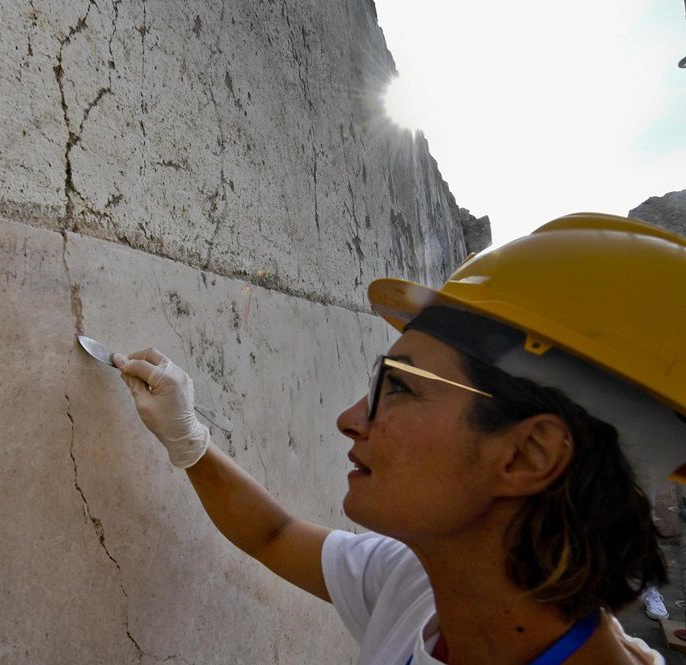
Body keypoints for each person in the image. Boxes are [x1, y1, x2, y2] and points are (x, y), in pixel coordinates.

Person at [112, 213, 686, 664]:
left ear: (528, 453)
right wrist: (187, 440)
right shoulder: (424, 588)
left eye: (402, 387)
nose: (349, 417)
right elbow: (273, 534)